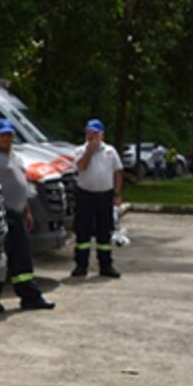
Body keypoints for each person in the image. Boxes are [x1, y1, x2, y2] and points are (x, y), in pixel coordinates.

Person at [0, 118, 56, 312]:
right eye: (2, 134)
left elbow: (22, 185)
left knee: (22, 257)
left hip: (18, 214)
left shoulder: (15, 157)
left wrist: (26, 210)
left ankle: (29, 296)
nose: (7, 138)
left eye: (9, 134)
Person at [72, 118, 124, 279]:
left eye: (95, 133)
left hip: (105, 195)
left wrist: (117, 193)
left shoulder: (110, 151)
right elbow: (81, 167)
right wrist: (89, 151)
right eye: (89, 133)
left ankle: (106, 265)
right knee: (83, 232)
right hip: (85, 195)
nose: (91, 136)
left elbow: (118, 172)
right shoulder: (80, 150)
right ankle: (81, 265)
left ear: (102, 135)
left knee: (104, 231)